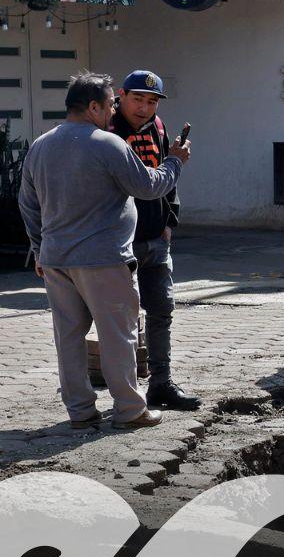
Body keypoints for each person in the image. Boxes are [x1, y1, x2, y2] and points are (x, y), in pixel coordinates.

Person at [19, 72, 190, 430]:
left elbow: (28, 205)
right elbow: (148, 186)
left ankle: (80, 412)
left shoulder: (41, 145)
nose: (114, 111)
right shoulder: (107, 144)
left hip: (56, 259)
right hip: (103, 259)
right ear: (93, 106)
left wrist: (39, 249)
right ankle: (130, 410)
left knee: (68, 336)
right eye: (112, 103)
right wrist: (174, 161)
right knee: (118, 335)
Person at [110, 70, 199, 410]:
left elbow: (168, 175)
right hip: (119, 243)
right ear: (121, 96)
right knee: (122, 319)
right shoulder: (108, 131)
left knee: (161, 311)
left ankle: (161, 383)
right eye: (137, 99)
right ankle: (127, 391)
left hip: (156, 239)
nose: (144, 109)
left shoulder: (159, 128)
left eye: (151, 102)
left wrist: (169, 221)